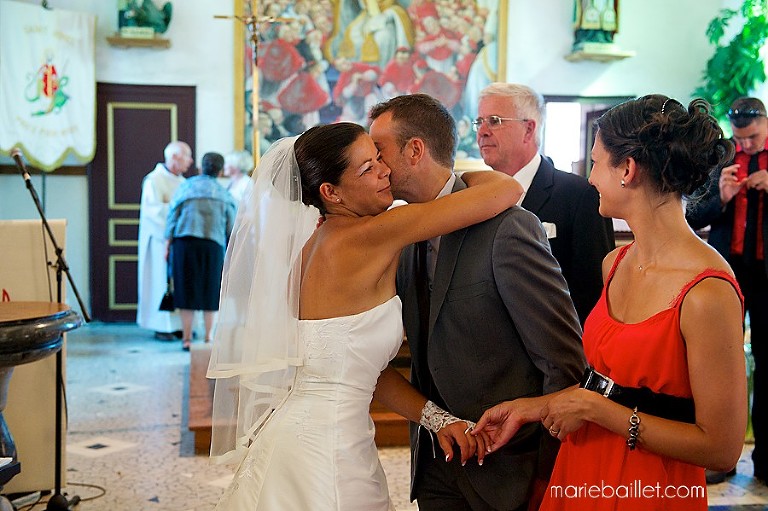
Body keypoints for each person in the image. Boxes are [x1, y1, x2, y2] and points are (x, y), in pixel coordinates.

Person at [207, 122, 524, 509]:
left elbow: (356, 369)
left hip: (303, 438)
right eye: (367, 168)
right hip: (327, 453)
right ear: (331, 192)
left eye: (378, 159)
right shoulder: (376, 233)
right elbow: (506, 189)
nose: (385, 171)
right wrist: (453, 173)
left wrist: (438, 420)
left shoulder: (310, 248)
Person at [475, 95, 747, 511]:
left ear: (627, 170)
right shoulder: (615, 263)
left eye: (596, 163)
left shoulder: (706, 291)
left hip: (652, 487)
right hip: (584, 468)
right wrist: (531, 408)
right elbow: (609, 387)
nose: (589, 179)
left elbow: (722, 448)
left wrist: (599, 412)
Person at [368, 93, 586, 511]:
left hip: (508, 467)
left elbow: (562, 358)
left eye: (380, 152)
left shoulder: (507, 228)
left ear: (415, 150)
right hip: (435, 459)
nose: (375, 166)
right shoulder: (402, 233)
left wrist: (547, 469)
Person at [476, 83, 615, 325]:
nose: (482, 131)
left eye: (494, 121)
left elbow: (592, 291)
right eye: (479, 122)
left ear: (529, 129)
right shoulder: (475, 197)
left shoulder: (578, 195)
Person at [687, 96, 768, 484]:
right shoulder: (722, 157)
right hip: (727, 275)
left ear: (765, 124)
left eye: (753, 137)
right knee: (721, 366)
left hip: (765, 276)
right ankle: (722, 457)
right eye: (740, 138)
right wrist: (720, 196)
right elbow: (692, 213)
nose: (746, 145)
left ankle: (765, 461)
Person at [166, 152, 236, 350]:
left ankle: (187, 338)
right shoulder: (224, 194)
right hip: (212, 247)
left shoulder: (185, 188)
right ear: (220, 171)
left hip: (184, 244)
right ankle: (208, 338)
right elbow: (231, 227)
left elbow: (172, 217)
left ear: (200, 167)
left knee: (186, 291)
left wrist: (167, 243)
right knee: (211, 292)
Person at [137, 140, 192, 340]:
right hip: (159, 241)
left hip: (179, 240)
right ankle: (161, 326)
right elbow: (153, 211)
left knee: (179, 283)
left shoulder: (184, 182)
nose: (190, 161)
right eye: (187, 156)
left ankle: (179, 326)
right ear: (174, 157)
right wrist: (178, 210)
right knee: (160, 282)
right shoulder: (154, 180)